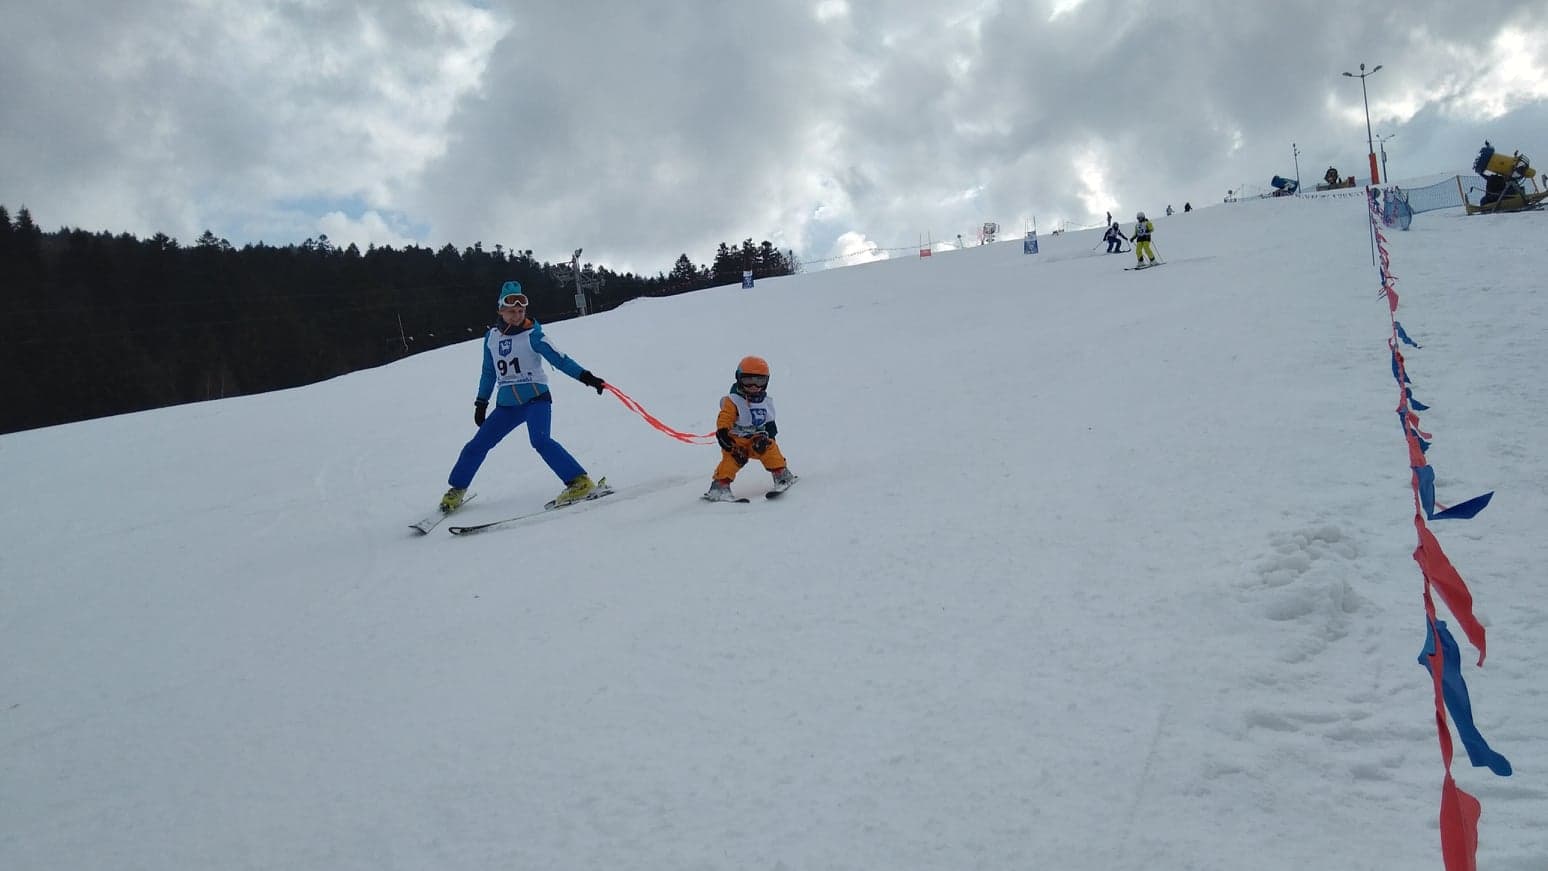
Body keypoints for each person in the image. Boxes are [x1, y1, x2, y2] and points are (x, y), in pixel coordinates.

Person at [438, 280, 608, 512]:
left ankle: (579, 481)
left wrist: (587, 377)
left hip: (536, 400)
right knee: (476, 446)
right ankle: (457, 489)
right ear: (500, 311)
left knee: (540, 440)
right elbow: (488, 372)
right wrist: (481, 402)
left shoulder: (534, 335)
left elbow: (561, 360)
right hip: (507, 406)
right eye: (511, 311)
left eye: (521, 311)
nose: (517, 316)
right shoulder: (491, 338)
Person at [704, 356, 796, 501]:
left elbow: (769, 422)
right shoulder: (733, 400)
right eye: (748, 380)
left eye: (759, 381)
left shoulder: (765, 401)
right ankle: (720, 487)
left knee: (768, 448)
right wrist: (723, 432)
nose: (754, 386)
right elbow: (725, 416)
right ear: (738, 378)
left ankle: (781, 475)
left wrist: (771, 437)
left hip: (756, 439)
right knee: (732, 459)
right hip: (735, 441)